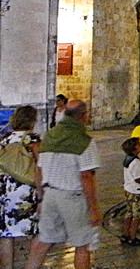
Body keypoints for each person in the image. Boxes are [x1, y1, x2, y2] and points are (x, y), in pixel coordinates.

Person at [25, 100, 101, 269]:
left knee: (44, 240)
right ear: (83, 116)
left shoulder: (49, 136)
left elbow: (39, 170)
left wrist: (41, 198)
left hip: (50, 195)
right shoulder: (85, 141)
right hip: (72, 198)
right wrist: (94, 208)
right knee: (82, 244)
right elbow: (86, 176)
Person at [0, 106, 41, 269]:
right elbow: (40, 167)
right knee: (38, 231)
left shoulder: (5, 138)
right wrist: (42, 194)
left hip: (5, 190)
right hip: (25, 190)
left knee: (6, 233)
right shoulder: (32, 140)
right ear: (32, 121)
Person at [120, 137, 140, 247]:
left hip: (128, 190)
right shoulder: (136, 162)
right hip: (136, 191)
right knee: (137, 215)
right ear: (134, 149)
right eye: (139, 144)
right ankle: (132, 238)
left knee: (129, 213)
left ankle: (125, 235)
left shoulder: (128, 159)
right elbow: (138, 179)